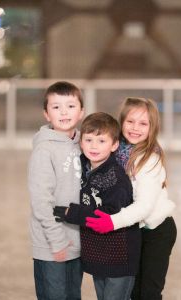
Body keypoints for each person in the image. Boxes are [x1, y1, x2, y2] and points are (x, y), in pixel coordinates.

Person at [86, 97, 177, 300]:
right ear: (122, 122)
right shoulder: (117, 152)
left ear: (152, 128)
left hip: (156, 232)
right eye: (130, 121)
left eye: (143, 123)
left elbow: (144, 206)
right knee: (132, 290)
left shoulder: (148, 159)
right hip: (134, 230)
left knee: (148, 293)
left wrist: (112, 221)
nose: (135, 128)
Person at [53, 112, 141, 300]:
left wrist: (72, 213)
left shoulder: (115, 178)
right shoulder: (84, 168)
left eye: (101, 141)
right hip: (98, 257)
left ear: (114, 145)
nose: (94, 146)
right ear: (81, 142)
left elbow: (109, 215)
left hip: (119, 260)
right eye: (89, 140)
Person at [28, 81, 84, 300]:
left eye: (70, 106)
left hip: (76, 241)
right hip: (51, 243)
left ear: (81, 112)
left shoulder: (85, 144)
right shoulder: (44, 149)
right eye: (56, 106)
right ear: (46, 114)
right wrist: (57, 240)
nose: (63, 112)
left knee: (73, 295)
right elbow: (41, 202)